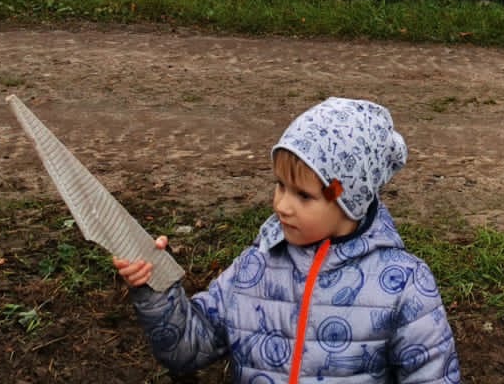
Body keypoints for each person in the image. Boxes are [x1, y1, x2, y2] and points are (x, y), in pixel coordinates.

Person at [114, 96, 459, 383]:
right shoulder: (256, 266)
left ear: (347, 200)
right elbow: (186, 349)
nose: (281, 205)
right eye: (280, 185)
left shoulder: (402, 284)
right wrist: (155, 287)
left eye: (303, 196)